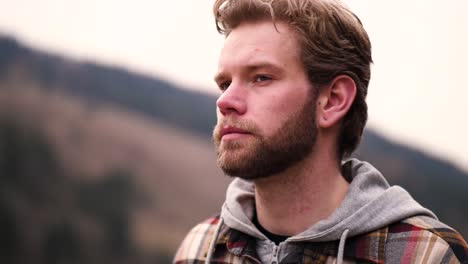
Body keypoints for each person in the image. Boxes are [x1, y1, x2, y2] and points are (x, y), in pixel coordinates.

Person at [174, 0, 468, 263]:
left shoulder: (425, 255)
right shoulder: (200, 249)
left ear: (333, 101)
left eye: (261, 77)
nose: (225, 101)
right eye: (225, 83)